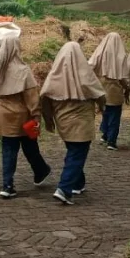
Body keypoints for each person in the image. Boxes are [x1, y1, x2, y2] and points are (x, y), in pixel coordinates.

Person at [41, 42, 106, 205]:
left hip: (63, 122)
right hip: (82, 121)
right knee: (77, 153)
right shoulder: (86, 74)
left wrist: (48, 120)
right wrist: (102, 107)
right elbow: (99, 93)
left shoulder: (54, 75)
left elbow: (44, 98)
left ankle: (78, 183)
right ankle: (64, 188)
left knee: (74, 151)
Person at [0, 36, 51, 198]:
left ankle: (7, 184)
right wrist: (36, 115)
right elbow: (32, 96)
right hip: (23, 116)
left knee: (8, 150)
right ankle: (41, 170)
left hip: (4, 116)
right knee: (30, 145)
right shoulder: (23, 70)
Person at [89, 32, 130, 149]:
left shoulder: (99, 52)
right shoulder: (121, 56)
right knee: (114, 115)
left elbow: (90, 66)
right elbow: (123, 77)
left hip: (101, 88)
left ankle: (105, 134)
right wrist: (127, 88)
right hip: (115, 90)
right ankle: (111, 141)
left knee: (105, 112)